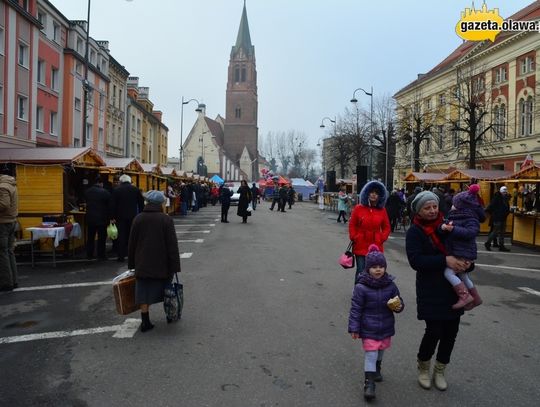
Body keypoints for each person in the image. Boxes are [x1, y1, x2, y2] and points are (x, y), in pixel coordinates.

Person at [406, 190, 473, 391]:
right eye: (427, 208)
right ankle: (424, 367)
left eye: (434, 206)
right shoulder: (415, 231)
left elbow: (464, 249)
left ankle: (440, 370)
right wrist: (445, 260)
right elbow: (416, 261)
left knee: (451, 332)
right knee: (434, 331)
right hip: (430, 288)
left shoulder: (450, 226)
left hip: (453, 289)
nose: (433, 211)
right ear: (419, 210)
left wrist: (467, 265)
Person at [348, 244, 404, 401]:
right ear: (367, 269)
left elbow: (399, 301)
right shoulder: (361, 287)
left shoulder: (391, 285)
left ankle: (377, 369)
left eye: (381, 266)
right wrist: (354, 327)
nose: (378, 270)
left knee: (381, 351)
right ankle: (369, 383)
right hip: (368, 328)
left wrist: (398, 306)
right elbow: (356, 309)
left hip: (385, 326)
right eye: (374, 267)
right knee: (371, 354)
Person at [128, 191, 180, 332]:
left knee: (143, 292)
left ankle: (145, 321)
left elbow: (132, 243)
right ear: (160, 204)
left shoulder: (138, 218)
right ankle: (170, 315)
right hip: (162, 263)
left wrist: (132, 264)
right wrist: (175, 265)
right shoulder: (166, 219)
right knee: (166, 289)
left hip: (142, 262)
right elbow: (172, 245)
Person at [440, 184, 485, 309]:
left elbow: (471, 233)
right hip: (459, 251)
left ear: (461, 206)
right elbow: (445, 227)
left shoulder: (470, 219)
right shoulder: (456, 216)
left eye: (454, 204)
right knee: (463, 275)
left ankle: (464, 296)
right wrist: (444, 227)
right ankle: (476, 297)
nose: (452, 205)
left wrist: (453, 229)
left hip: (463, 253)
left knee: (448, 273)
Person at [349, 180, 391, 284]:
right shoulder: (359, 208)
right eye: (371, 192)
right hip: (360, 244)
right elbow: (352, 224)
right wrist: (354, 236)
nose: (373, 195)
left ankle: (371, 293)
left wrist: (382, 238)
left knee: (375, 272)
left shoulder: (382, 210)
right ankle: (358, 293)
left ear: (380, 196)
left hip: (376, 246)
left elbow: (386, 227)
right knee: (361, 270)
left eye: (376, 193)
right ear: (367, 193)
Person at [110, 174, 144, 262]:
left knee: (121, 236)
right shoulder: (135, 189)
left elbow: (112, 205)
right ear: (129, 181)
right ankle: (131, 256)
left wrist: (112, 217)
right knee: (131, 236)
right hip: (133, 216)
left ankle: (121, 256)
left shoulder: (116, 190)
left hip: (120, 217)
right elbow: (141, 203)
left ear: (121, 181)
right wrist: (141, 214)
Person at [84, 178, 111, 260]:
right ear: (100, 183)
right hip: (102, 218)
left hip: (90, 218)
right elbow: (109, 205)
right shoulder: (105, 192)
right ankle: (101, 255)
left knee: (90, 238)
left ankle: (89, 255)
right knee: (101, 238)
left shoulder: (87, 191)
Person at [0, 174, 18, 291]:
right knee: (9, 251)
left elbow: (4, 205)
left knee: (2, 253)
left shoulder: (2, 187)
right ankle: (13, 280)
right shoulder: (12, 185)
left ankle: (6, 282)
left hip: (2, 223)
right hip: (11, 221)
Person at [484, 186, 511, 252]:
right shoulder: (496, 198)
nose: (505, 193)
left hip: (503, 217)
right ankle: (488, 243)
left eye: (505, 192)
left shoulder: (504, 198)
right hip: (497, 217)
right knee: (495, 232)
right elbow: (491, 206)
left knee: (502, 233)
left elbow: (506, 206)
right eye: (504, 192)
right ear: (501, 192)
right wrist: (492, 213)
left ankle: (501, 246)